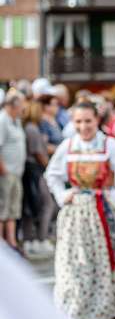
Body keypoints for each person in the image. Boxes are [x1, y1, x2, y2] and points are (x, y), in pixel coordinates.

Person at [44, 101, 115, 319]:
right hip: (75, 218)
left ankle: (102, 317)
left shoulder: (109, 145)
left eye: (88, 121)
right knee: (74, 268)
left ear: (97, 121)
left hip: (104, 215)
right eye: (78, 122)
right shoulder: (68, 146)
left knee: (103, 268)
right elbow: (52, 175)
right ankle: (75, 315)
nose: (83, 127)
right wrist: (62, 194)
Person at [22, 100, 56, 258]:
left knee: (34, 205)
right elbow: (38, 153)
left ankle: (36, 239)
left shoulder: (32, 128)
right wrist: (49, 167)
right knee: (45, 204)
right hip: (35, 170)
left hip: (33, 170)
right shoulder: (32, 129)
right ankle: (40, 238)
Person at [0, 90, 27, 250]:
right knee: (2, 209)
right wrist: (3, 169)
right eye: (21, 105)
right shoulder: (2, 120)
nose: (23, 108)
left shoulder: (15, 121)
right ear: (13, 105)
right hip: (6, 173)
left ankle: (12, 243)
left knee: (13, 209)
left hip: (16, 173)